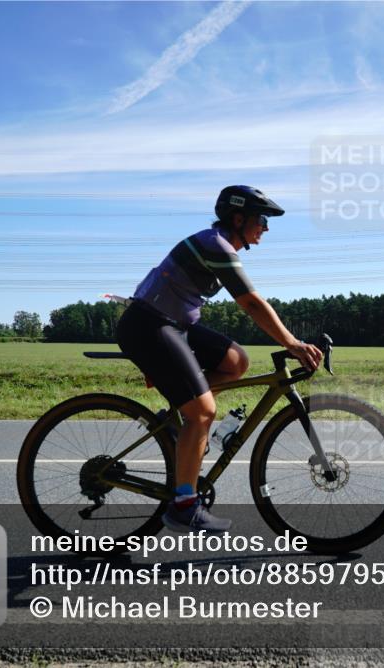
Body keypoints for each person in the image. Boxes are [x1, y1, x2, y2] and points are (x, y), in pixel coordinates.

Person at [116, 185, 323, 533]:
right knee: (203, 412)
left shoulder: (220, 244)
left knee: (236, 362)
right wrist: (293, 343)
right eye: (261, 219)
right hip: (148, 325)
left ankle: (182, 409)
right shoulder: (215, 244)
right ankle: (184, 506)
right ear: (238, 219)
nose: (266, 227)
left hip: (175, 324)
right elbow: (251, 303)